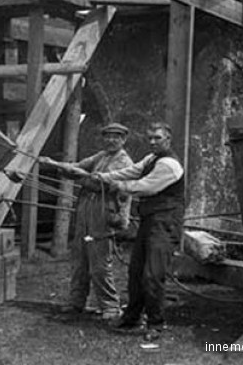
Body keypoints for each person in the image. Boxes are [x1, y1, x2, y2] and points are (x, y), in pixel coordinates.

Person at [80, 121, 184, 340]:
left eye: (158, 138)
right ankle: (132, 317)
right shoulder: (150, 159)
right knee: (135, 271)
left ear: (168, 140)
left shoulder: (170, 165)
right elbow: (131, 171)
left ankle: (155, 324)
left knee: (153, 275)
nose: (153, 142)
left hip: (165, 223)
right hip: (150, 221)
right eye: (150, 138)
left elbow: (146, 186)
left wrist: (120, 186)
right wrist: (104, 177)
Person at [39, 122, 133, 320]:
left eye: (116, 137)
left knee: (99, 264)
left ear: (124, 140)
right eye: (107, 136)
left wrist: (78, 176)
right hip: (85, 211)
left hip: (105, 214)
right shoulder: (101, 156)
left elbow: (99, 183)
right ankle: (76, 302)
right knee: (79, 260)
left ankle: (110, 306)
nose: (111, 140)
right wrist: (55, 164)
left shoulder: (124, 162)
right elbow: (78, 167)